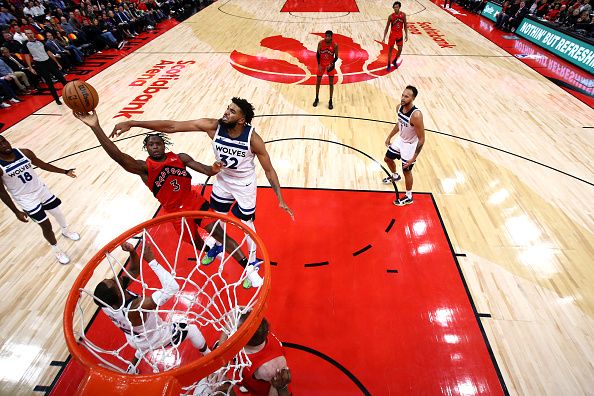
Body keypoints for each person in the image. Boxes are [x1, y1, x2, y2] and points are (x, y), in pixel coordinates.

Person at [110, 97, 294, 287]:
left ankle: (252, 265)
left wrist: (279, 198)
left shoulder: (253, 139)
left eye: (232, 111)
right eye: (227, 108)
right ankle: (215, 246)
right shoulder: (213, 126)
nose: (226, 112)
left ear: (241, 120)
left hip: (244, 184)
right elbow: (172, 126)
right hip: (222, 180)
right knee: (216, 220)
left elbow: (269, 170)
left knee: (246, 225)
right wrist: (133, 123)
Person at [75, 111, 263, 288]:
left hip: (195, 203)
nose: (155, 146)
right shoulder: (145, 169)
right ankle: (210, 250)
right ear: (146, 148)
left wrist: (213, 169)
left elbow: (206, 170)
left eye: (158, 143)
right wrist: (96, 127)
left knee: (220, 234)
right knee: (195, 242)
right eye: (151, 144)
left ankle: (248, 267)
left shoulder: (180, 158)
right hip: (174, 214)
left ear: (164, 145)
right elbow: (119, 157)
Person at [93, 242, 210, 373]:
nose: (115, 278)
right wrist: (151, 261)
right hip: (156, 337)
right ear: (119, 293)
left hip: (134, 337)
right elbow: (172, 288)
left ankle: (131, 370)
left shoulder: (107, 304)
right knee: (192, 330)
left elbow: (133, 271)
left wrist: (132, 252)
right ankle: (209, 355)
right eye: (114, 281)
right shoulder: (135, 309)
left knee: (141, 344)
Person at [0, 135, 79, 264]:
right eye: (0, 144)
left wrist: (65, 172)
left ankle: (66, 231)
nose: (4, 144)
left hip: (41, 190)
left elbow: (43, 165)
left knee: (58, 213)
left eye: (4, 141)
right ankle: (57, 250)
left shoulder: (24, 152)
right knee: (46, 226)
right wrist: (16, 211)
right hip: (26, 199)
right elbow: (2, 193)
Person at [213, 313, 292, 395]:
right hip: (249, 381)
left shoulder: (269, 368)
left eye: (233, 329)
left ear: (243, 339)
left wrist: (282, 388)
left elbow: (278, 392)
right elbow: (249, 312)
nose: (230, 330)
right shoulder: (260, 330)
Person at [382, 85, 425, 206]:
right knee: (387, 158)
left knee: (406, 171)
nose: (403, 98)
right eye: (402, 95)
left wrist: (414, 158)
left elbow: (422, 139)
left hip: (410, 146)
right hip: (400, 140)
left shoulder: (416, 116)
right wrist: (389, 136)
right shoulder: (399, 107)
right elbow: (399, 123)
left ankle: (409, 196)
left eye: (406, 96)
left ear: (413, 98)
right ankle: (395, 176)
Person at [22, 29, 68, 105]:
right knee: (49, 83)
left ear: (33, 33)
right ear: (26, 35)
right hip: (39, 64)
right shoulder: (25, 44)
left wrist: (56, 62)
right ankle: (57, 99)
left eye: (31, 33)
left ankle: (69, 92)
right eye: (28, 33)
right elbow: (26, 56)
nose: (30, 34)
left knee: (61, 77)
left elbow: (48, 52)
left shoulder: (40, 41)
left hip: (48, 61)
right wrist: (30, 67)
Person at [313, 30, 338, 110]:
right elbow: (317, 54)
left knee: (331, 83)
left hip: (330, 65)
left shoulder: (335, 45)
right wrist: (319, 64)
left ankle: (330, 100)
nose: (327, 37)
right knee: (318, 82)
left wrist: (331, 64)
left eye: (328, 36)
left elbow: (336, 57)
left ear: (331, 37)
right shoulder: (320, 43)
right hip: (322, 64)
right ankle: (316, 98)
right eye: (326, 36)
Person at [382, 2, 408, 71]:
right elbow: (387, 27)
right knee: (390, 50)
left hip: (400, 34)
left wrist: (406, 35)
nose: (395, 8)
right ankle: (388, 64)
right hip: (393, 34)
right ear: (393, 8)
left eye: (397, 7)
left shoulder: (403, 15)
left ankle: (394, 61)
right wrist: (384, 37)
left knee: (400, 49)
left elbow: (405, 25)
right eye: (394, 7)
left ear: (399, 7)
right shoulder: (390, 16)